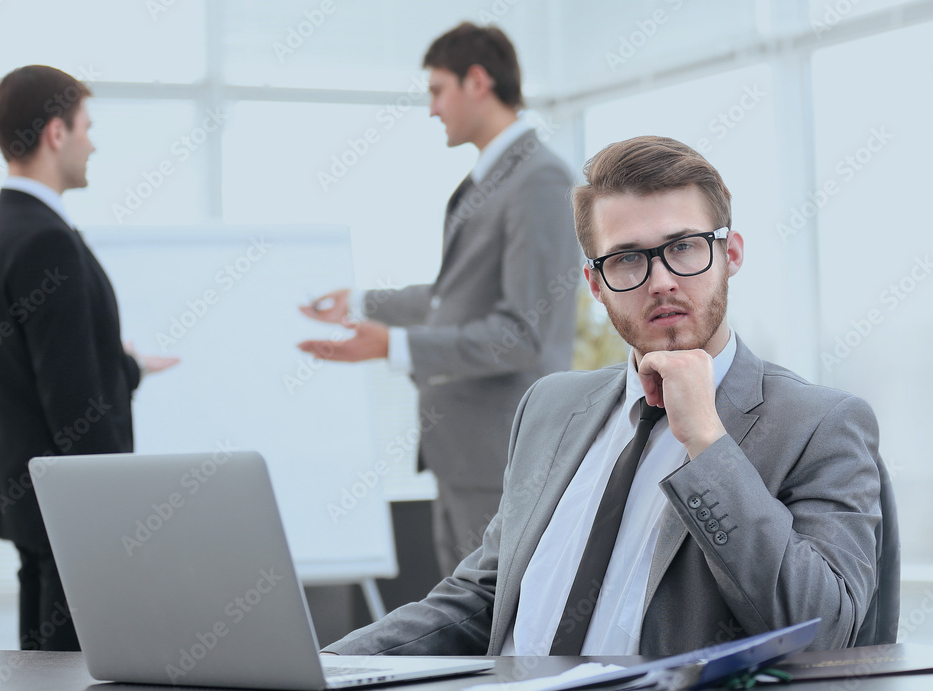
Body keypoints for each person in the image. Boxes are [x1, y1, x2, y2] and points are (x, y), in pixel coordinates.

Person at [324, 136, 898, 657]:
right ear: (596, 284)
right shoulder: (550, 407)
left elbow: (823, 629)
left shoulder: (819, 425)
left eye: (685, 247)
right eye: (627, 258)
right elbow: (484, 597)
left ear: (732, 254)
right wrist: (331, 667)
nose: (661, 280)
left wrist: (707, 443)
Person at [298, 23, 581, 577]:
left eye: (437, 90)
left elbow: (523, 334)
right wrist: (360, 301)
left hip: (504, 456)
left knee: (501, 616)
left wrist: (394, 346)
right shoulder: (494, 177)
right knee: (468, 618)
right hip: (465, 458)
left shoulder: (539, 180)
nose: (431, 109)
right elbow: (453, 297)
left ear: (478, 81)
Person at [0, 65, 178, 651]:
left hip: (30, 501)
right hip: (75, 516)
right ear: (55, 133)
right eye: (87, 126)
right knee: (79, 685)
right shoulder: (47, 239)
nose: (93, 144)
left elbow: (34, 368)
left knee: (38, 684)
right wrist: (116, 516)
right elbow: (71, 399)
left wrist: (127, 367)